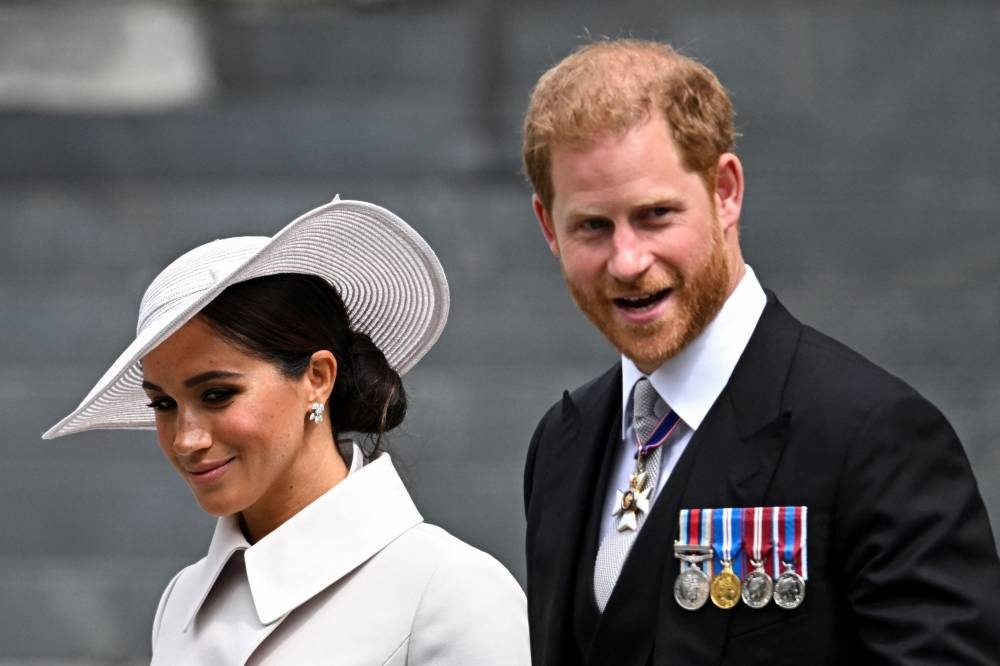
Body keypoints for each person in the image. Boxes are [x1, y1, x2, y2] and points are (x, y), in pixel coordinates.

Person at [521, 39, 1000, 665]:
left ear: (724, 192)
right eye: (593, 226)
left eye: (656, 214)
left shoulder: (873, 440)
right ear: (549, 226)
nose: (628, 260)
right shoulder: (561, 444)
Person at [44, 198, 530, 664]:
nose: (186, 439)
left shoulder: (451, 591)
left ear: (317, 378)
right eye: (163, 404)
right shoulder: (181, 601)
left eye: (217, 394)